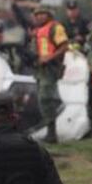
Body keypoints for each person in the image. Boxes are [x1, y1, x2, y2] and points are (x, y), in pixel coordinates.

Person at [33, 8, 69, 144]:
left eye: (42, 14)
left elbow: (64, 46)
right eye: (37, 14)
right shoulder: (38, 29)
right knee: (41, 99)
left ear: (49, 15)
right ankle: (49, 132)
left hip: (50, 67)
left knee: (46, 98)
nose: (39, 17)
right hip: (40, 69)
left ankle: (52, 133)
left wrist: (50, 57)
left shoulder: (55, 28)